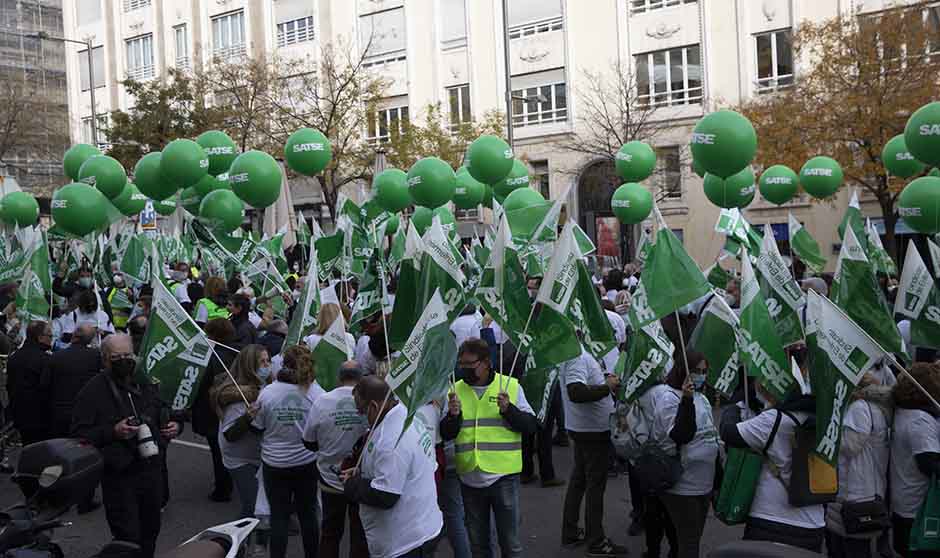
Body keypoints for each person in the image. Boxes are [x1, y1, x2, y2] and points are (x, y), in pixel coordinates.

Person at [70, 334, 181, 558]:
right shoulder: (92, 390)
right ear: (104, 360)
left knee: (151, 529)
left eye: (128, 355)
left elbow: (167, 411)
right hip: (120, 476)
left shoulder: (147, 382)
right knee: (127, 537)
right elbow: (79, 435)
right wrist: (113, 431)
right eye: (117, 357)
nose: (124, 361)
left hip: (151, 470)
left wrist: (175, 426)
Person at [441, 338, 538, 558]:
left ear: (486, 363)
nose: (464, 369)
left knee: (510, 544)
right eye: (461, 364)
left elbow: (531, 426)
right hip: (469, 478)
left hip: (502, 476)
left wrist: (509, 410)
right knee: (479, 546)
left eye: (470, 365)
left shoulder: (510, 386)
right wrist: (452, 416)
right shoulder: (455, 390)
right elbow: (447, 433)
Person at [343, 376, 443, 558]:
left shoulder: (391, 439)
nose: (361, 416)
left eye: (361, 411)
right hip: (422, 526)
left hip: (405, 543)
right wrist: (363, 473)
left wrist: (352, 484)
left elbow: (385, 495)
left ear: (373, 406)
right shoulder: (405, 414)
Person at [720, 382, 825, 552]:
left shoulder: (775, 419)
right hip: (814, 522)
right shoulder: (826, 421)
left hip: (770, 519)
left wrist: (734, 407)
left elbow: (729, 432)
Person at [558, 345, 628, 557]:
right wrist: (606, 387)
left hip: (583, 427)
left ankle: (570, 532)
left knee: (579, 480)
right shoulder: (577, 355)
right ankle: (596, 540)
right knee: (594, 486)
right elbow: (576, 391)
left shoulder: (576, 353)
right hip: (591, 431)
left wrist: (604, 380)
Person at [251, 345, 319, 558]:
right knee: (308, 515)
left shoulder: (267, 393)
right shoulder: (317, 393)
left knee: (278, 517)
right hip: (306, 463)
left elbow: (258, 427)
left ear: (283, 364)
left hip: (275, 464)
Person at [650, 351, 718, 558]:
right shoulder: (669, 399)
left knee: (691, 539)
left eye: (704, 371)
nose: (701, 375)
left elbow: (710, 434)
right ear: (682, 370)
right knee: (689, 545)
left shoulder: (702, 399)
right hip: (682, 485)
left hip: (703, 483)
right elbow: (682, 435)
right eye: (696, 371)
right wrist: (686, 401)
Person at [303, 362, 369, 558]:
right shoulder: (371, 401)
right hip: (359, 479)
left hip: (330, 478)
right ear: (361, 378)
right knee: (359, 534)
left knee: (330, 533)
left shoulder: (323, 401)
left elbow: (308, 441)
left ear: (340, 377)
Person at [825, 373, 892, 558]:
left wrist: (829, 433)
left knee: (851, 548)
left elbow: (850, 446)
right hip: (869, 488)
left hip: (854, 491)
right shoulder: (878, 408)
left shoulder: (859, 408)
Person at [211, 344, 268, 521]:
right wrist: (247, 418)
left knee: (259, 507)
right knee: (251, 509)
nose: (267, 366)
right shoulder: (237, 395)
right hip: (240, 459)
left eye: (268, 361)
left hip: (257, 455)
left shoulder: (262, 386)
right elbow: (230, 434)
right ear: (250, 366)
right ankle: (235, 545)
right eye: (262, 362)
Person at [889, 362, 940, 558]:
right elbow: (929, 463)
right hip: (918, 508)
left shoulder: (905, 410)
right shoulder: (920, 420)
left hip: (904, 501)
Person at [199, 318, 238, 503]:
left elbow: (203, 382)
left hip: (214, 407)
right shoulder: (235, 352)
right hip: (233, 404)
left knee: (218, 449)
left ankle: (223, 488)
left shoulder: (211, 355)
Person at [48, 324, 101, 438]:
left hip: (60, 411)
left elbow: (46, 384)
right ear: (90, 339)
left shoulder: (56, 357)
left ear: (74, 336)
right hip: (86, 412)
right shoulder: (96, 356)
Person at [7, 320, 53, 445]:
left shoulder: (14, 357)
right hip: (39, 418)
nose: (51, 339)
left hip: (18, 414)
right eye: (50, 336)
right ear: (40, 337)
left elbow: (9, 386)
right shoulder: (45, 360)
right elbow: (47, 389)